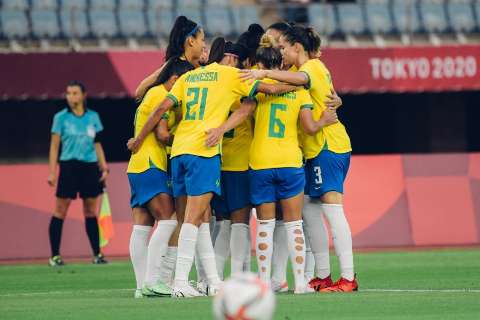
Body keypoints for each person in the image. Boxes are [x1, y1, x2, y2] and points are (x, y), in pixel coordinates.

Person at [206, 34, 337, 294]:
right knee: (293, 224)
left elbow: (245, 111)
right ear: (282, 65)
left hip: (260, 162)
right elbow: (310, 127)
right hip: (289, 162)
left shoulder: (257, 89)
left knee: (264, 225)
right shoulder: (300, 92)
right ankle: (300, 283)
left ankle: (264, 282)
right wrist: (325, 121)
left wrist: (221, 129)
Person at [240, 25, 358, 292]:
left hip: (328, 144)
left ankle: (348, 277)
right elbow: (298, 88)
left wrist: (263, 72)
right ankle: (323, 276)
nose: (281, 52)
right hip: (311, 151)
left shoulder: (313, 67)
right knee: (310, 212)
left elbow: (303, 81)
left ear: (297, 48)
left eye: (284, 47)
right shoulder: (296, 73)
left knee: (332, 209)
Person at [127, 58, 194, 298]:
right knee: (168, 221)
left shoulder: (151, 92)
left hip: (136, 167)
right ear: (175, 80)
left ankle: (140, 287)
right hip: (150, 164)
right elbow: (161, 131)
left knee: (142, 227)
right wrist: (189, 138)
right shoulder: (159, 95)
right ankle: (152, 281)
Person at [47, 81, 109, 266]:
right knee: (60, 210)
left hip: (90, 167)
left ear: (83, 95)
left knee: (90, 211)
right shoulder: (60, 118)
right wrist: (52, 172)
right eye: (68, 93)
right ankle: (55, 256)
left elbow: (97, 145)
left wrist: (104, 166)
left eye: (74, 93)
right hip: (69, 167)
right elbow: (54, 146)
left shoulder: (93, 117)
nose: (71, 97)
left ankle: (97, 254)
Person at [135, 16, 206, 101]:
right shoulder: (173, 66)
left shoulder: (195, 65)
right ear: (191, 41)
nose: (204, 45)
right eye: (202, 40)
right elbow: (139, 92)